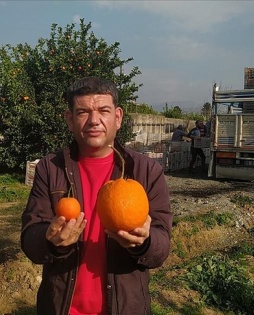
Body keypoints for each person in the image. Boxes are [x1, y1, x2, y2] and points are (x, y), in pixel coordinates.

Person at [21, 76, 173, 315]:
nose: (94, 120)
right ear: (70, 120)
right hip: (61, 308)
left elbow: (161, 246)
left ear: (118, 117)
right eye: (83, 112)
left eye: (103, 110)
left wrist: (144, 243)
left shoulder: (145, 171)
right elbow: (30, 237)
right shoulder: (51, 168)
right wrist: (51, 242)